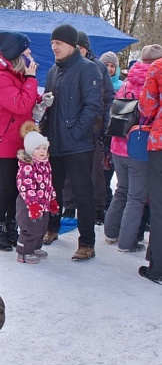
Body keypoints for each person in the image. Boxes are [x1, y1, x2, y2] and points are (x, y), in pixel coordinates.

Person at [0, 31, 53, 252]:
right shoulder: (0, 78)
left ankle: (12, 229)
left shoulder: (16, 75)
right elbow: (20, 105)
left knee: (18, 187)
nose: (31, 56)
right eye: (27, 52)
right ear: (17, 55)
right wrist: (32, 80)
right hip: (2, 142)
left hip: (17, 141)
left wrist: (41, 100)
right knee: (8, 187)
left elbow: (26, 101)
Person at [41, 24, 103, 260]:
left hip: (78, 145)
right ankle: (52, 227)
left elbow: (93, 107)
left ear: (72, 45)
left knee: (82, 193)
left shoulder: (88, 69)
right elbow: (49, 107)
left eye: (58, 43)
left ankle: (87, 242)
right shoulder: (52, 72)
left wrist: (75, 133)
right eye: (52, 43)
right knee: (53, 191)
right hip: (54, 144)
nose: (54, 47)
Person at [104, 44, 162, 252]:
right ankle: (127, 243)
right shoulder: (154, 80)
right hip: (138, 146)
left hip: (117, 144)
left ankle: (110, 232)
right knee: (136, 197)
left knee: (121, 190)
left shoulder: (127, 81)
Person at [62, 31, 115, 225]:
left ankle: (98, 208)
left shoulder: (99, 67)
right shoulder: (64, 66)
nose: (77, 52)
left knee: (95, 172)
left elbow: (109, 98)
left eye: (81, 48)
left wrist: (105, 125)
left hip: (94, 127)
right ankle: (69, 206)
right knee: (69, 171)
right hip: (69, 127)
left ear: (87, 49)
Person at [16, 121, 59, 263]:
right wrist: (33, 204)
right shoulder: (28, 167)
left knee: (41, 228)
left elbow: (48, 184)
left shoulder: (46, 165)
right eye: (38, 148)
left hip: (43, 204)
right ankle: (23, 252)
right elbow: (25, 187)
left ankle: (35, 248)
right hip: (29, 205)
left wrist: (52, 199)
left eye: (44, 148)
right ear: (29, 150)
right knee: (30, 228)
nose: (42, 151)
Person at [137, 54, 162, 283]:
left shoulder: (158, 66)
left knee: (159, 207)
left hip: (161, 143)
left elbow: (147, 106)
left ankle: (158, 269)